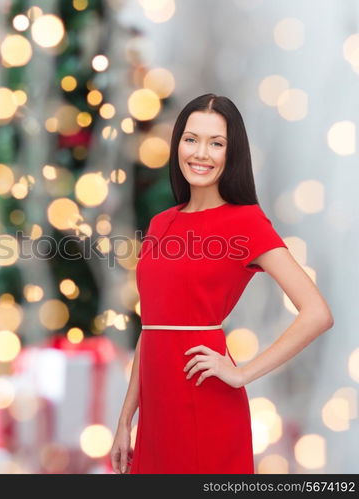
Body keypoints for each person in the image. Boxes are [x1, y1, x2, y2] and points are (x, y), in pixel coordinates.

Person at [110, 93, 334, 474]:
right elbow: (152, 327)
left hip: (206, 401)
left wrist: (242, 372)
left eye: (216, 143)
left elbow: (317, 313)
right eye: (191, 139)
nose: (201, 153)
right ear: (177, 142)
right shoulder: (161, 223)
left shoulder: (246, 223)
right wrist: (125, 419)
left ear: (233, 154)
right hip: (157, 412)